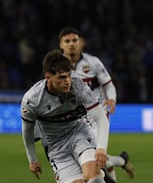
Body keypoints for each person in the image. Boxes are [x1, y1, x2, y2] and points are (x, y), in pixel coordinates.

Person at [58, 27, 135, 182]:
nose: (71, 44)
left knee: (95, 158)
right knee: (97, 158)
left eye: (74, 40)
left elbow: (108, 84)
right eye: (67, 41)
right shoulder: (58, 67)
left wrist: (112, 99)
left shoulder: (92, 62)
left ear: (80, 43)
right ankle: (122, 160)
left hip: (96, 113)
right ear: (61, 45)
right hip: (74, 117)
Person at [22, 49, 109, 183]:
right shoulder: (32, 100)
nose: (68, 81)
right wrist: (32, 159)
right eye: (62, 77)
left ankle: (100, 175)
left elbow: (100, 118)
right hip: (55, 146)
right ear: (48, 77)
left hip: (80, 134)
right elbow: (27, 132)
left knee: (95, 178)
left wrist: (101, 148)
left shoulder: (79, 87)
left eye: (69, 75)